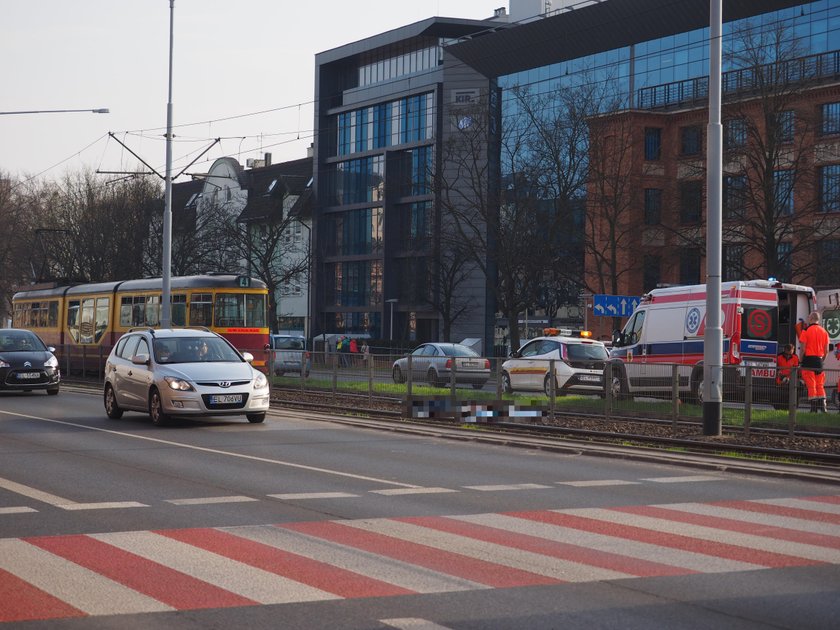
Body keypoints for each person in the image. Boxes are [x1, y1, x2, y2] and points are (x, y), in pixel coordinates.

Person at [795, 311, 829, 412]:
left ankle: (813, 409)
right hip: (819, 361)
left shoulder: (806, 331)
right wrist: (822, 360)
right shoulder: (824, 331)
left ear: (811, 319)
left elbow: (803, 349)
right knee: (820, 385)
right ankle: (823, 407)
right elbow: (826, 350)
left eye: (808, 316)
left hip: (808, 360)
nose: (807, 317)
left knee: (811, 384)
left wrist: (800, 361)